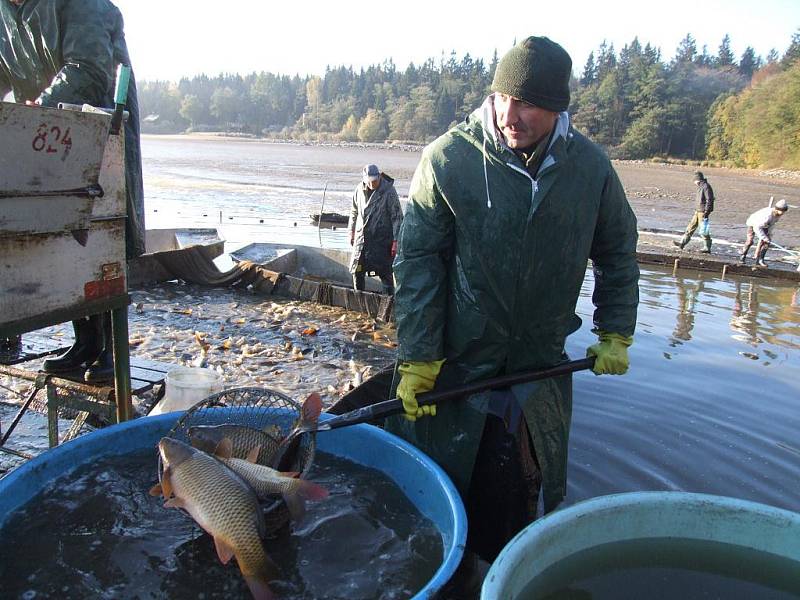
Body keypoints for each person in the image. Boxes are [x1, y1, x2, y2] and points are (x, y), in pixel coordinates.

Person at [387, 36, 639, 594]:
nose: (510, 115)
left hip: (538, 368)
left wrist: (615, 329)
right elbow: (420, 263)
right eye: (502, 97)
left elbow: (618, 251)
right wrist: (419, 355)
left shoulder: (591, 169)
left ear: (558, 108)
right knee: (445, 494)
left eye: (527, 103)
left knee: (524, 496)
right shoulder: (449, 158)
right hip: (458, 368)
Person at [0, 0, 144, 382]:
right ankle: (86, 342)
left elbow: (90, 69)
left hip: (101, 126)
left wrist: (40, 106)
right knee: (61, 230)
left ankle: (112, 348)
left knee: (104, 233)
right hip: (43, 136)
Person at [348, 164, 403, 294]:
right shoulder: (359, 190)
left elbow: (397, 217)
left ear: (379, 176)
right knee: (357, 271)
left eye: (375, 180)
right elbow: (353, 211)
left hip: (382, 240)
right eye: (370, 181)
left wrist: (396, 241)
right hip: (362, 239)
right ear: (365, 179)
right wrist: (351, 231)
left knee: (385, 274)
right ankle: (358, 299)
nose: (373, 183)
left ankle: (388, 302)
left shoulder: (389, 191)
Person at [740, 198, 789, 267]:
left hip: (765, 225)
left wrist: (769, 234)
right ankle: (743, 256)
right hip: (753, 223)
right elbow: (757, 227)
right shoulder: (767, 215)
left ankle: (760, 260)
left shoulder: (778, 215)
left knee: (766, 243)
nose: (783, 213)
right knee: (750, 241)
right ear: (777, 209)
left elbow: (772, 224)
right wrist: (763, 237)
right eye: (782, 211)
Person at [673, 171, 714, 253]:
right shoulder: (700, 186)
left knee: (703, 231)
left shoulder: (706, 187)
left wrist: (706, 212)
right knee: (690, 227)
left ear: (697, 179)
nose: (694, 182)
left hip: (703, 212)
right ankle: (682, 243)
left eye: (694, 180)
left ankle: (707, 247)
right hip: (698, 211)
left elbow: (710, 200)